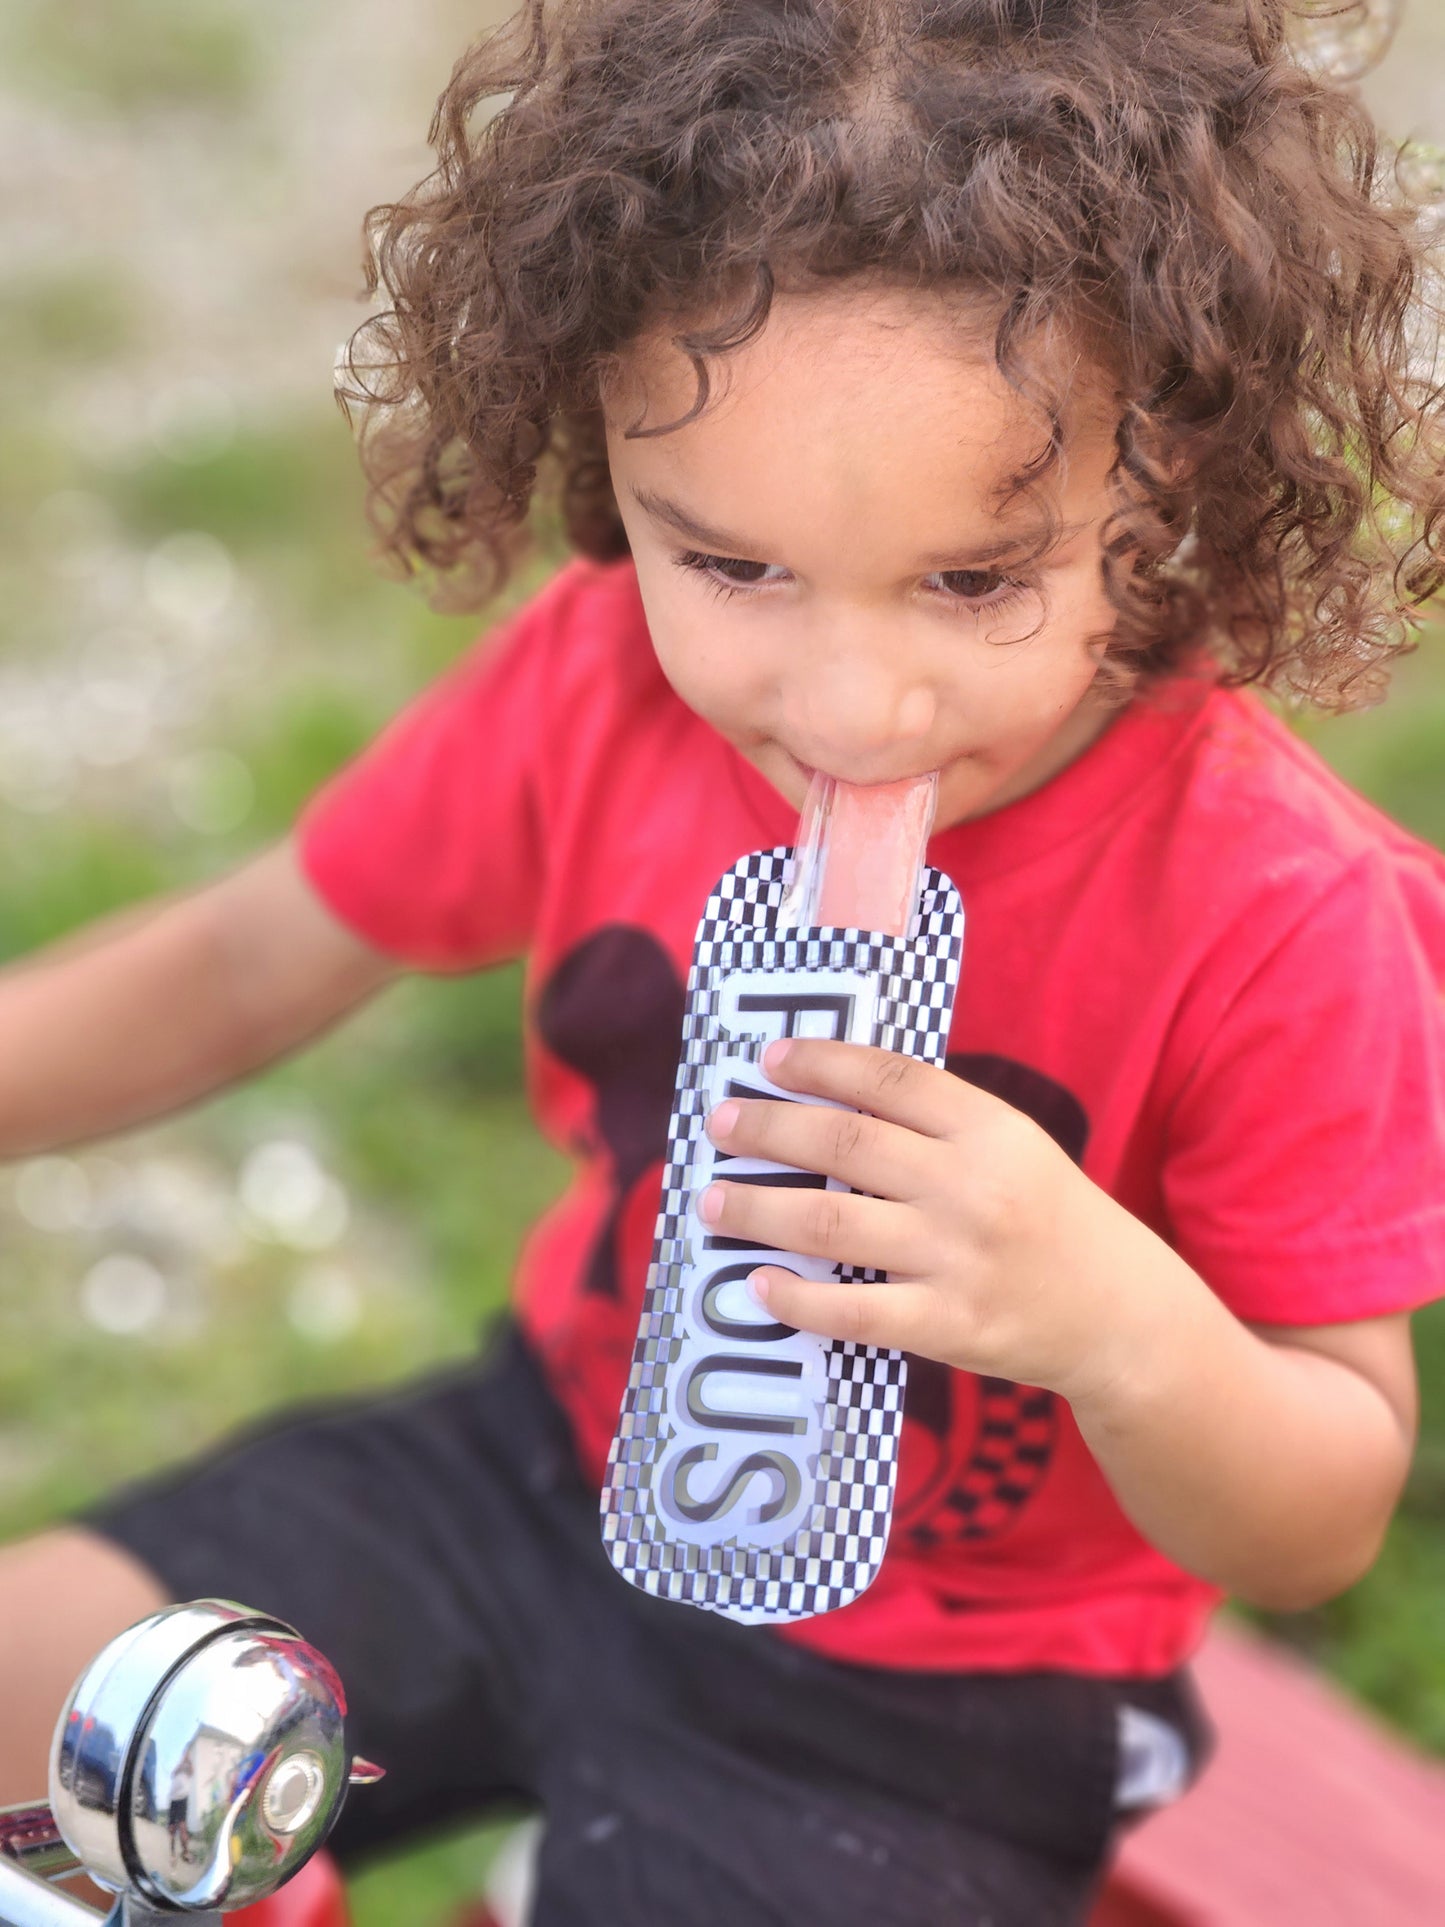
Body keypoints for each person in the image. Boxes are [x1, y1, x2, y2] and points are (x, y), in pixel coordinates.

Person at [3, 1, 1444, 1920]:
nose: (846, 704)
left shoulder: (1277, 908)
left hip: (937, 1699)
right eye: (733, 566)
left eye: (972, 579)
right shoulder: (592, 681)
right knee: (48, 1710)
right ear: (600, 447)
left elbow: (1320, 1507)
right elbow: (258, 953)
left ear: (1160, 474)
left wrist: (1110, 1317)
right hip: (540, 1475)